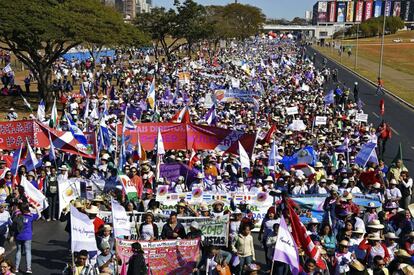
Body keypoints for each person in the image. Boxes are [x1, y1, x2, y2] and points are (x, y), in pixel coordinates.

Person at [13, 203, 40, 274]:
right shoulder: (31, 216)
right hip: (27, 236)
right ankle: (28, 268)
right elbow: (39, 215)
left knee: (18, 251)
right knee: (28, 251)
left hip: (18, 235)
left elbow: (14, 212)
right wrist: (35, 207)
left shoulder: (18, 215)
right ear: (27, 208)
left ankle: (16, 268)